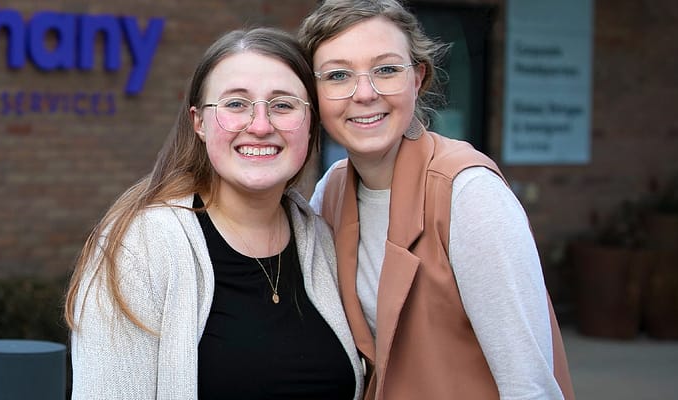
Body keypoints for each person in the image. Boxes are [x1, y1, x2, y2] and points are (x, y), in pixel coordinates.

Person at [63, 27, 365, 399]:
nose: (260, 126)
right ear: (199, 123)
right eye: (236, 104)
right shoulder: (138, 248)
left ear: (311, 123)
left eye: (283, 105)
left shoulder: (322, 240)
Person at [297, 1, 575, 399]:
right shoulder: (332, 191)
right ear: (314, 93)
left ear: (418, 78)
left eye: (387, 69)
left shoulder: (469, 194)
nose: (364, 94)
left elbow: (528, 385)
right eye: (338, 75)